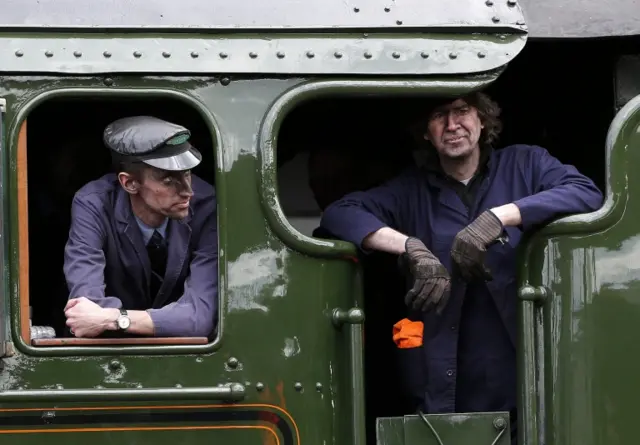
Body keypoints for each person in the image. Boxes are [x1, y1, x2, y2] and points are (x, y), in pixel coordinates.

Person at [318, 92, 604, 443]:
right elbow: (340, 213)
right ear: (426, 132)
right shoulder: (410, 190)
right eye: (440, 116)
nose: (453, 125)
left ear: (483, 120)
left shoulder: (526, 164)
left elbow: (585, 192)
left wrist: (500, 217)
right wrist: (410, 247)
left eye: (462, 111)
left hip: (521, 369)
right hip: (443, 376)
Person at [63, 115, 218, 339]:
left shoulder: (206, 206)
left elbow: (199, 316)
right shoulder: (93, 203)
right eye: (168, 180)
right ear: (130, 183)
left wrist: (115, 319)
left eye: (187, 175)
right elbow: (86, 308)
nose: (187, 191)